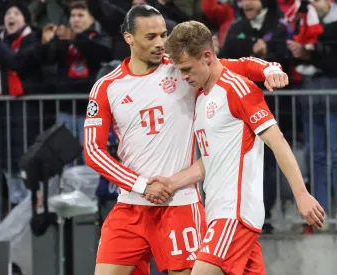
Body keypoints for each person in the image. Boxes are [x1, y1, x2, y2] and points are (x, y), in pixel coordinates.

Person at [83, 5, 289, 275]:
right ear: (128, 38)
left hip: (179, 204)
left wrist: (270, 69)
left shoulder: (181, 70)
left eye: (163, 35)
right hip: (131, 205)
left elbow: (236, 66)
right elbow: (93, 150)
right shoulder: (107, 86)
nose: (160, 44)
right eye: (151, 37)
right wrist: (142, 185)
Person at [146, 21, 325, 275]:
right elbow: (211, 160)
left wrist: (301, 195)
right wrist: (172, 183)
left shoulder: (238, 90)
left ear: (207, 57)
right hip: (220, 212)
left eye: (186, 69)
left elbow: (278, 142)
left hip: (234, 214)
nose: (183, 77)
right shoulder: (202, 92)